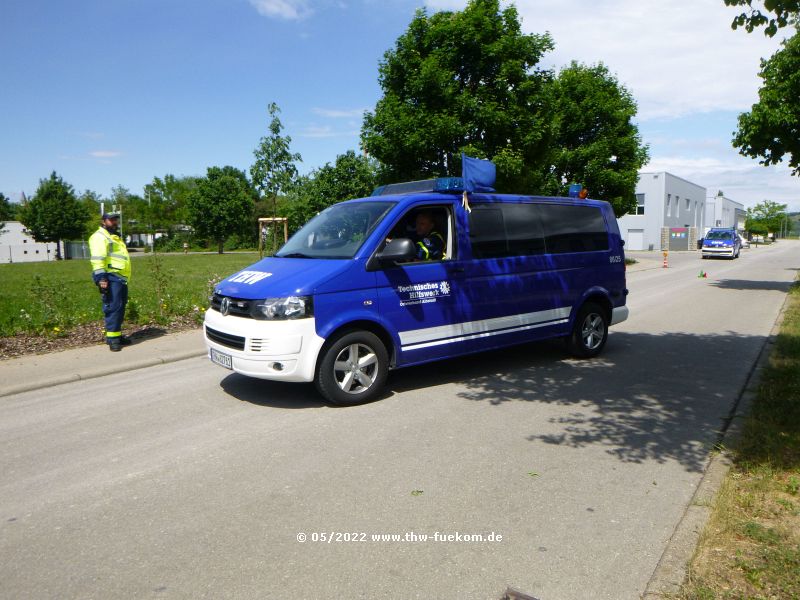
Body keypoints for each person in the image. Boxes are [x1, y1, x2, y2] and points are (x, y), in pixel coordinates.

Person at [89, 212, 132, 351]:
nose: (114, 222)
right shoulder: (100, 237)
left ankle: (116, 336)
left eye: (115, 220)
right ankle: (112, 340)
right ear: (103, 221)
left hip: (119, 277)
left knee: (119, 307)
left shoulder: (113, 237)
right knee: (113, 307)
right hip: (110, 277)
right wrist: (101, 278)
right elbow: (97, 259)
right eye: (111, 220)